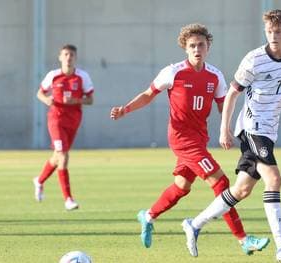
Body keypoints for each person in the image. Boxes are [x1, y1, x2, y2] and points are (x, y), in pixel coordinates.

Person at [110, 23, 269, 256]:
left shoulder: (215, 76)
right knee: (222, 184)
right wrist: (125, 109)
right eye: (192, 45)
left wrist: (234, 128)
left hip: (199, 139)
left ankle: (149, 215)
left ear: (208, 47)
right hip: (181, 139)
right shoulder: (173, 72)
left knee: (182, 186)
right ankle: (243, 239)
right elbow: (148, 95)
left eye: (201, 45)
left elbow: (224, 106)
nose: (197, 49)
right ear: (185, 48)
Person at [181, 10, 281, 261]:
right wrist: (224, 128)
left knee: (241, 190)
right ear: (265, 31)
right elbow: (232, 94)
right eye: (270, 31)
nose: (274, 36)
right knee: (274, 178)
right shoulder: (254, 60)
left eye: (279, 31)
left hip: (270, 130)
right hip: (252, 127)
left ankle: (195, 224)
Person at [32, 44, 94, 210]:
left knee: (57, 157)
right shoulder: (53, 76)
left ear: (75, 57)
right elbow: (40, 93)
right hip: (56, 119)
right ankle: (68, 199)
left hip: (73, 120)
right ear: (60, 57)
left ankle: (39, 180)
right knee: (63, 156)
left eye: (71, 54)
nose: (68, 57)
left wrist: (76, 100)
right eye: (65, 54)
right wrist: (47, 100)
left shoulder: (82, 77)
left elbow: (90, 99)